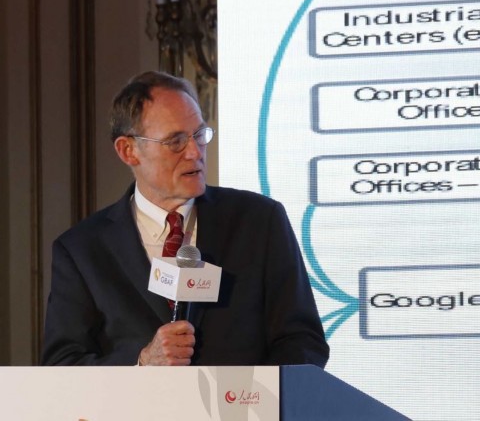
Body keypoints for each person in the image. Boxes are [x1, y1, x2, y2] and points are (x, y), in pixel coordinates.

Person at [41, 70, 329, 367]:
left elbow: (302, 341)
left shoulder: (259, 222)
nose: (194, 152)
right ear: (129, 151)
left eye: (199, 135)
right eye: (175, 141)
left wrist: (254, 394)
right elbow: (62, 365)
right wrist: (142, 363)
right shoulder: (82, 250)